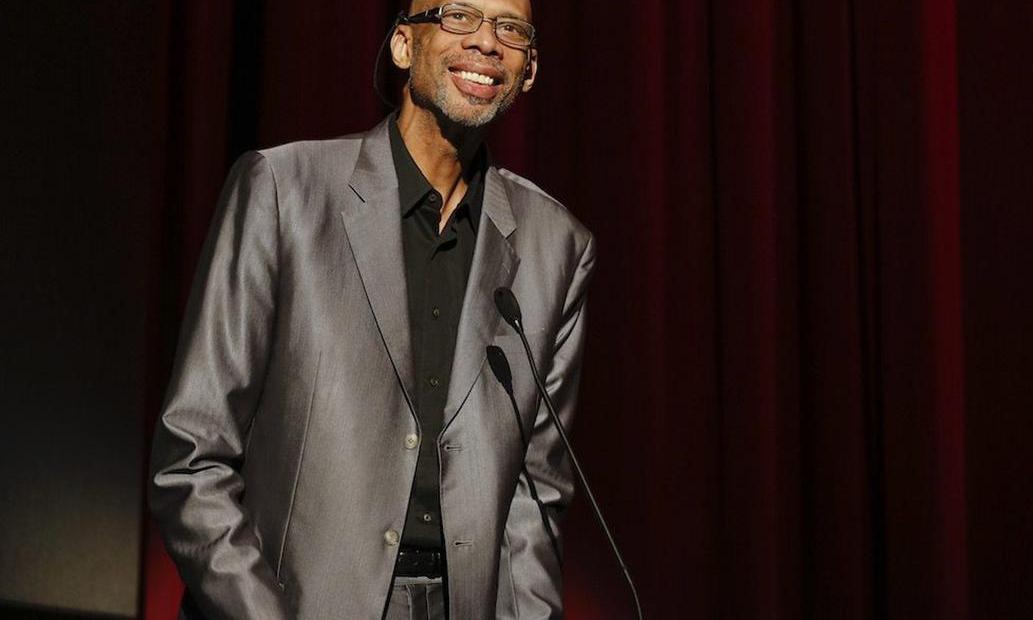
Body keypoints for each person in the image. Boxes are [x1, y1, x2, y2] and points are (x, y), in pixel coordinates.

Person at [148, 0, 595, 618]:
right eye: (459, 15)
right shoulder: (284, 190)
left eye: (510, 28)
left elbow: (536, 501)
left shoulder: (557, 246)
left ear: (530, 70)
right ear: (404, 46)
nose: (487, 42)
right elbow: (192, 459)